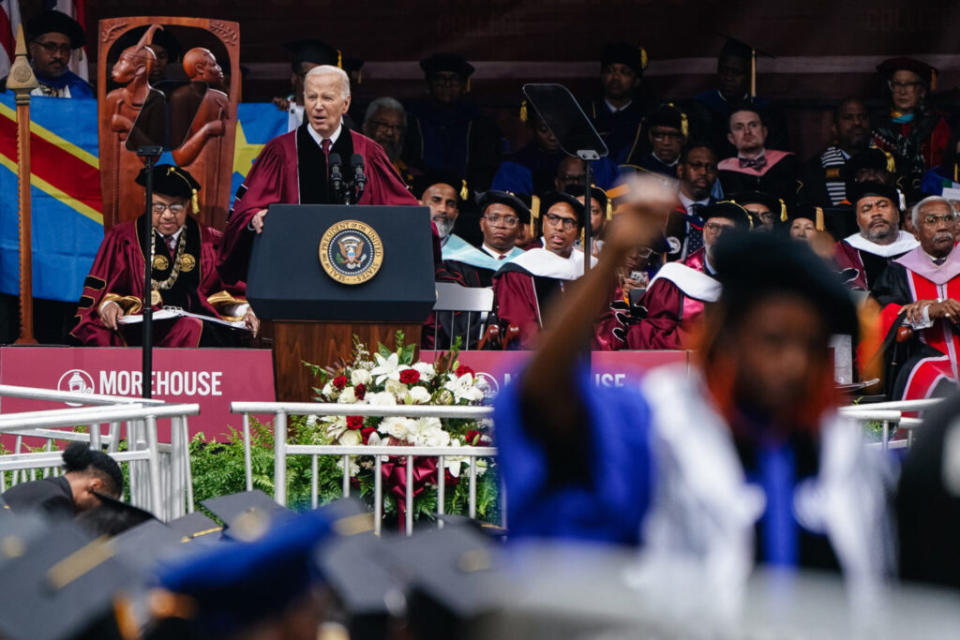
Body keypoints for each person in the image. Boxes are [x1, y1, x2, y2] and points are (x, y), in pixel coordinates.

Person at [494, 180, 891, 587]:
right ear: (729, 338)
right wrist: (611, 257)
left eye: (809, 345)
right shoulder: (662, 421)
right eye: (773, 340)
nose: (793, 363)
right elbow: (539, 395)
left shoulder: (841, 452)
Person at [221, 65, 418, 281]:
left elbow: (404, 213)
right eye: (311, 97)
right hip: (292, 274)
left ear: (346, 104)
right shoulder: (281, 151)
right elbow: (244, 212)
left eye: (327, 98)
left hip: (357, 275)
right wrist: (254, 218)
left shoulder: (368, 153)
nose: (318, 107)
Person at [71, 164, 257, 347]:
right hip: (136, 329)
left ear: (188, 205)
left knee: (193, 328)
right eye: (159, 207)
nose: (167, 215)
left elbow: (225, 295)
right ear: (146, 201)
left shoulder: (211, 241)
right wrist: (109, 306)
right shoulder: (122, 238)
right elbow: (101, 292)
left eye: (176, 207)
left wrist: (245, 310)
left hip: (198, 332)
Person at [606, 201, 751, 350]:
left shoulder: (754, 281)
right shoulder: (675, 276)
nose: (718, 235)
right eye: (713, 227)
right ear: (703, 231)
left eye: (727, 230)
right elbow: (651, 334)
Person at [872, 196, 960, 401]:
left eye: (948, 219)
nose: (942, 226)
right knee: (925, 376)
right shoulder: (898, 272)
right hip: (923, 358)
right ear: (916, 233)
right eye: (932, 221)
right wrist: (927, 312)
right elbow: (881, 316)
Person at [493, 192, 596, 347]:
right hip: (537, 359)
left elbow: (608, 319)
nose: (559, 227)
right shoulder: (519, 270)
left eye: (568, 222)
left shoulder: (593, 269)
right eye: (553, 219)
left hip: (590, 357)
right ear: (543, 223)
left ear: (578, 232)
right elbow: (521, 324)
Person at [404, 52, 501, 190]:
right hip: (420, 192)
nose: (447, 84)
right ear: (429, 83)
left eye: (454, 79)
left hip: (468, 195)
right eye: (439, 78)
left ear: (463, 85)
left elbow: (486, 167)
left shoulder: (480, 123)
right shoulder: (412, 119)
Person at [689, 38, 788, 157]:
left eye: (736, 73)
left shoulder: (766, 110)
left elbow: (776, 153)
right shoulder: (702, 106)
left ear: (749, 74)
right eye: (724, 71)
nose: (728, 78)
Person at [872, 57, 951, 187]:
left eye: (909, 84)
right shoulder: (877, 125)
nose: (902, 91)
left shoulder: (937, 125)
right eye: (897, 84)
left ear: (922, 91)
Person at [834, 181, 918, 291]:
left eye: (882, 206)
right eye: (866, 209)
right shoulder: (844, 251)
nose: (876, 213)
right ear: (857, 220)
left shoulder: (919, 247)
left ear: (897, 214)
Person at [3, 443, 123, 519]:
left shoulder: (35, 488)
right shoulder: (58, 503)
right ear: (94, 486)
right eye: (105, 503)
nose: (99, 511)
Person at [717, 105, 799, 206]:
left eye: (753, 125)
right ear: (731, 138)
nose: (747, 132)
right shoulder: (721, 171)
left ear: (764, 132)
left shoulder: (788, 163)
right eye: (739, 128)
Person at [0, 9, 93, 98]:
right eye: (50, 47)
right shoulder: (6, 89)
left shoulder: (86, 91)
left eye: (65, 48)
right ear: (32, 48)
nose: (58, 55)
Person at [588, 43, 654, 165]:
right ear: (602, 76)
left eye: (625, 72)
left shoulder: (647, 117)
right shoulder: (587, 112)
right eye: (609, 71)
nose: (616, 77)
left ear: (637, 80)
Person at [801, 98, 872, 208]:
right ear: (834, 128)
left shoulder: (887, 162)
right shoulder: (815, 168)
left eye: (863, 117)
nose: (857, 122)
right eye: (848, 118)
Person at [273, 39, 345, 132]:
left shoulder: (340, 121)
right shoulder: (278, 114)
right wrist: (274, 110)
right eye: (308, 76)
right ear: (294, 78)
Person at [491, 107, 564, 196]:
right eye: (544, 129)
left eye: (557, 129)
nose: (552, 137)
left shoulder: (573, 160)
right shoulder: (514, 166)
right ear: (531, 129)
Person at [668, 142, 719, 259]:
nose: (704, 172)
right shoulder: (662, 210)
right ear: (680, 170)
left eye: (710, 167)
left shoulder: (723, 213)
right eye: (696, 165)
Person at [623, 103, 688, 177]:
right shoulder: (634, 171)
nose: (666, 142)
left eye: (673, 135)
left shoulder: (691, 170)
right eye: (659, 135)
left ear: (683, 138)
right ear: (650, 137)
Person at [362, 96, 413, 181]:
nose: (389, 132)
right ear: (366, 127)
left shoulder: (409, 175)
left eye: (397, 127)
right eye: (383, 124)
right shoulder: (351, 167)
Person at [566, 184, 608, 256]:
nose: (585, 215)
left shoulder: (613, 254)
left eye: (593, 211)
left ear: (604, 219)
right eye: (579, 209)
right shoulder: (553, 246)